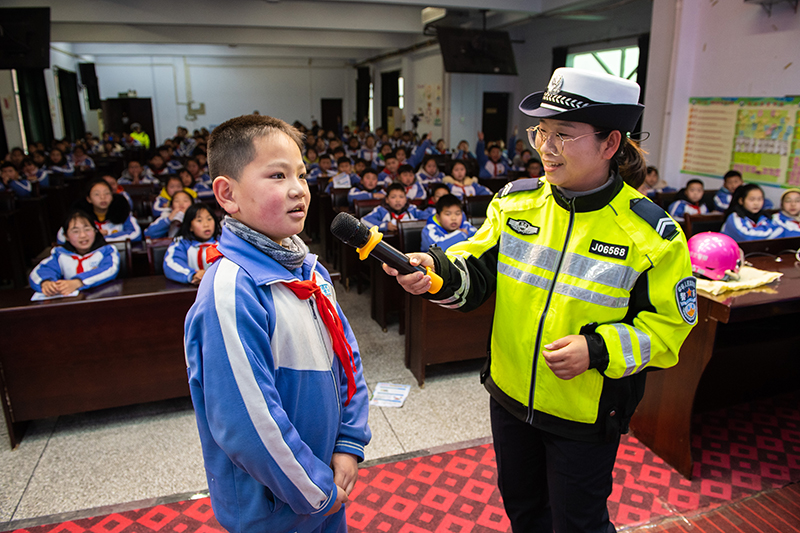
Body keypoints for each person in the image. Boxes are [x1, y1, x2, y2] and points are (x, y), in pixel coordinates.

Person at [384, 67, 696, 533]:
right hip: (509, 397)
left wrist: (597, 349)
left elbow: (669, 328)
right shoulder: (515, 203)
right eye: (541, 132)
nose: (545, 148)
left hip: (584, 413)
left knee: (579, 523)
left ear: (610, 144)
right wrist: (436, 275)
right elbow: (475, 268)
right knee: (524, 511)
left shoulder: (651, 235)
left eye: (564, 135)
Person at [184, 114, 370, 533]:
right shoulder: (231, 289)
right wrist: (314, 488)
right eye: (276, 175)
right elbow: (248, 420)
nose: (297, 189)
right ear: (227, 194)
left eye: (301, 174)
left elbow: (347, 359)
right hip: (275, 508)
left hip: (325, 484)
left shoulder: (309, 269)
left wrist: (348, 442)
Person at [30, 210, 120, 295]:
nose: (83, 235)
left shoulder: (107, 251)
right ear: (66, 236)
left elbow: (109, 269)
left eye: (87, 229)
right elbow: (39, 272)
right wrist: (46, 283)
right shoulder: (60, 255)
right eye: (75, 231)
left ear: (95, 231)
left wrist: (78, 282)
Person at [58, 179, 142, 243]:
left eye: (107, 193)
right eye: (97, 194)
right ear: (89, 199)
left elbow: (136, 234)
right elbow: (61, 238)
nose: (103, 197)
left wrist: (102, 238)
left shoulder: (122, 212)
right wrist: (94, 236)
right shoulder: (79, 216)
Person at [163, 204, 220, 284]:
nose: (206, 225)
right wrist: (193, 275)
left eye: (209, 219)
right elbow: (171, 264)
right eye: (199, 220)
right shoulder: (181, 243)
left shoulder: (223, 242)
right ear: (190, 226)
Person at [362, 182, 427, 232]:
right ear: (387, 200)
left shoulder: (412, 209)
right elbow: (364, 220)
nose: (398, 200)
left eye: (401, 197)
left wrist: (413, 224)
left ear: (406, 199)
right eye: (393, 197)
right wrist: (385, 226)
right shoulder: (381, 210)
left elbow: (428, 218)